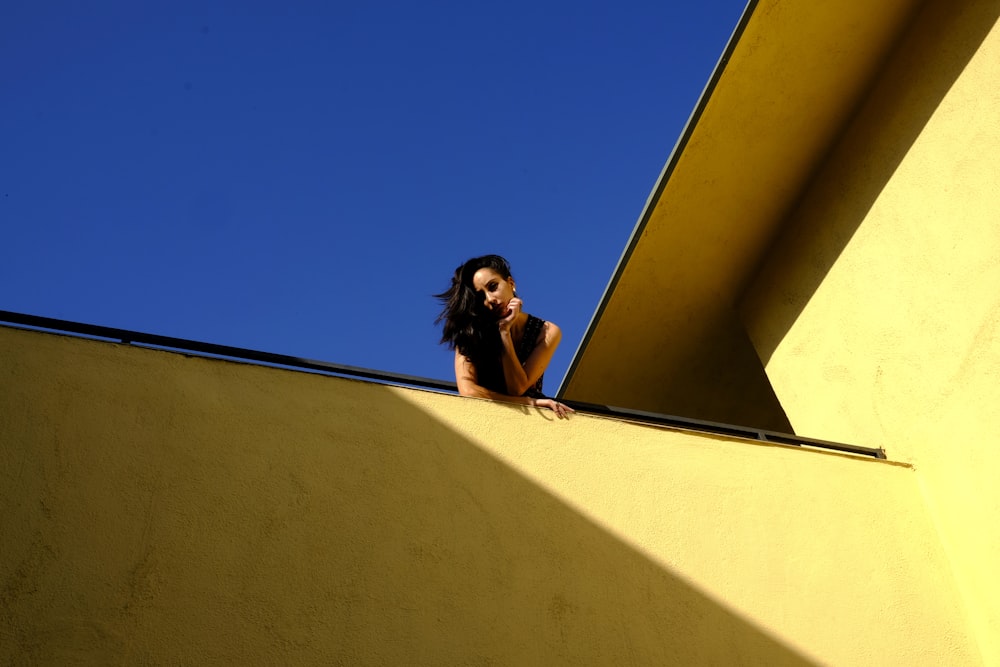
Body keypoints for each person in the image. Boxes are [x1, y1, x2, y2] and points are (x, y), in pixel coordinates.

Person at [435, 254, 574, 419]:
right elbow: (468, 390)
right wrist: (528, 402)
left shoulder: (546, 331)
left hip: (526, 420)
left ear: (511, 283)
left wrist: (504, 332)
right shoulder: (470, 332)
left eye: (493, 287)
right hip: (485, 417)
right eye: (481, 296)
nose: (490, 299)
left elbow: (516, 388)